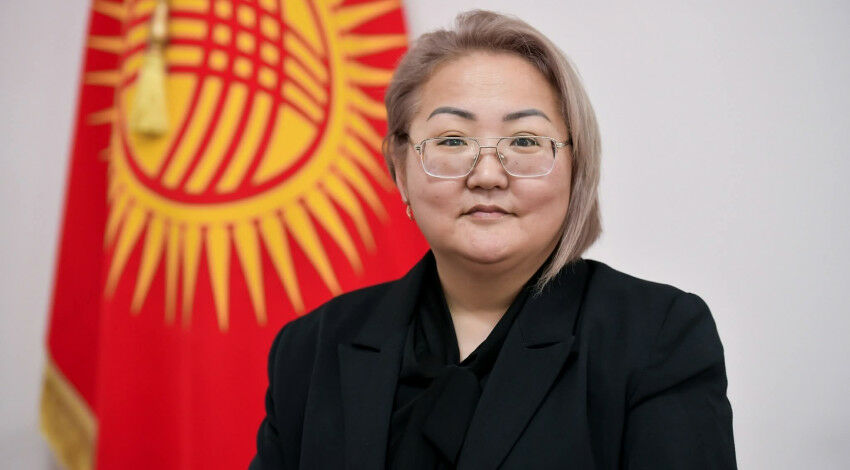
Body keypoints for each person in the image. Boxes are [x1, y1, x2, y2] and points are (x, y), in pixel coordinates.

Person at [249, 9, 737, 470]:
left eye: (524, 141)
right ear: (400, 168)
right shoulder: (311, 347)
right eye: (452, 140)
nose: (486, 175)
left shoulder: (655, 337)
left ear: (577, 167)